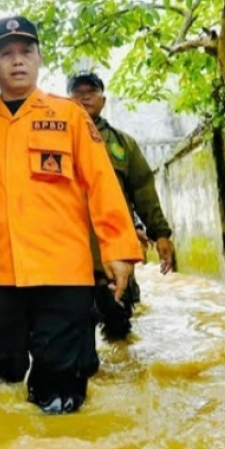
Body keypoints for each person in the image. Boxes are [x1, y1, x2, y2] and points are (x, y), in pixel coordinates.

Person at [0, 16, 143, 414]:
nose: (17, 61)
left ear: (40, 57)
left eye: (26, 51)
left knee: (62, 399)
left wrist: (118, 250)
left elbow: (102, 184)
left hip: (64, 277)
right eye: (5, 54)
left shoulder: (70, 115)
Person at [67, 71, 175, 340]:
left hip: (113, 252)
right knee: (72, 335)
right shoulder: (53, 139)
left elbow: (143, 190)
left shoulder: (123, 144)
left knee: (120, 330)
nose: (84, 96)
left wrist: (160, 233)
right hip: (68, 255)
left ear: (103, 100)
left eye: (91, 91)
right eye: (77, 91)